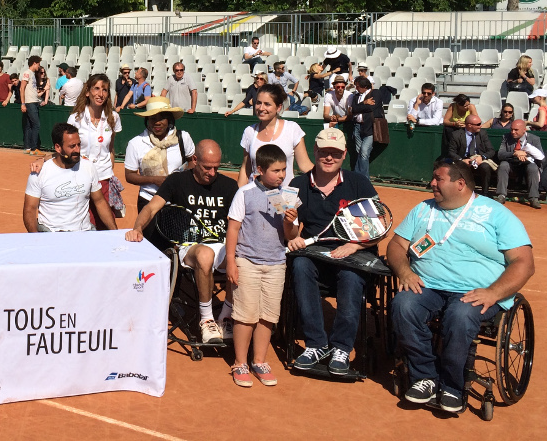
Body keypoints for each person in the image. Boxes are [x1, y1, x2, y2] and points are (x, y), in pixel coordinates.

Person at [388, 159, 534, 412]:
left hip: (475, 291)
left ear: (460, 184)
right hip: (428, 285)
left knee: (460, 315)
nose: (431, 183)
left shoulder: (495, 213)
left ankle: (452, 386)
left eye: (438, 178)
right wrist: (404, 271)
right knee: (403, 305)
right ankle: (424, 377)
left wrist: (494, 292)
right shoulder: (423, 209)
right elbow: (396, 245)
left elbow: (524, 262)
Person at [286, 128, 380, 375]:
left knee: (350, 277)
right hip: (313, 253)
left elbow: (378, 230)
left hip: (353, 253)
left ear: (344, 154)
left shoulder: (358, 183)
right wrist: (293, 236)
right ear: (314, 151)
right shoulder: (297, 185)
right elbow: (291, 233)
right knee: (300, 265)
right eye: (324, 152)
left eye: (335, 154)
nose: (329, 158)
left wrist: (354, 245)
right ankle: (316, 344)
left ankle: (341, 347)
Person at [126, 139, 239, 345]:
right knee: (205, 254)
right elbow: (151, 208)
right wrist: (137, 228)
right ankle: (206, 320)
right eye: (207, 167)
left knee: (242, 254)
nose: (212, 173)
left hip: (221, 246)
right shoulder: (177, 181)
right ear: (194, 160)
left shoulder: (229, 186)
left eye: (216, 167)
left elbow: (240, 221)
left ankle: (226, 316)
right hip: (190, 247)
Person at [226, 144, 299, 387]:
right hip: (247, 261)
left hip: (276, 263)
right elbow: (233, 229)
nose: (281, 175)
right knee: (245, 315)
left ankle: (259, 361)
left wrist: (290, 221)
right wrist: (231, 263)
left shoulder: (288, 196)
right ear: (259, 169)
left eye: (284, 170)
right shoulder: (244, 193)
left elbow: (290, 235)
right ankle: (240, 363)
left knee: (267, 316)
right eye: (276, 170)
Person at [23, 123, 117, 233]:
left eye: (79, 145)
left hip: (84, 232)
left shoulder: (88, 167)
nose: (77, 150)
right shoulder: (39, 173)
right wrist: (36, 240)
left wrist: (115, 232)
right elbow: (29, 210)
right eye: (72, 146)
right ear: (58, 147)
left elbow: (100, 201)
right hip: (51, 233)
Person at [123, 96, 196, 213]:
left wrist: (182, 180)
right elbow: (130, 175)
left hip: (178, 200)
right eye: (153, 118)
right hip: (148, 200)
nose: (157, 122)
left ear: (169, 119)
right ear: (147, 120)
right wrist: (154, 180)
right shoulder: (136, 143)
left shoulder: (183, 138)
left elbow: (192, 162)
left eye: (161, 118)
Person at [237, 83, 312, 190]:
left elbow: (305, 165)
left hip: (284, 198)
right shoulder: (249, 131)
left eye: (267, 104)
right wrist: (240, 193)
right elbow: (246, 168)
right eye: (258, 103)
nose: (261, 108)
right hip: (255, 196)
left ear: (279, 107)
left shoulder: (292, 129)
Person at [495, 119, 544, 208]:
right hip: (512, 164)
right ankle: (501, 195)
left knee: (533, 167)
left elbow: (541, 157)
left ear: (524, 130)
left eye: (516, 130)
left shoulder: (534, 139)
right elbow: (500, 154)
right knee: (503, 165)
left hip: (527, 164)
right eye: (511, 129)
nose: (513, 132)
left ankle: (534, 198)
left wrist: (526, 154)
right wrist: (515, 153)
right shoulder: (506, 137)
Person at [445, 114, 497, 197]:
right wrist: (461, 160)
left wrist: (482, 157)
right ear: (469, 125)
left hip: (478, 159)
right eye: (478, 124)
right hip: (463, 159)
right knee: (458, 167)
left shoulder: (482, 133)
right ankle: (458, 192)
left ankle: (485, 193)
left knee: (485, 167)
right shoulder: (456, 134)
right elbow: (451, 152)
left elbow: (491, 151)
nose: (481, 126)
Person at [346, 75, 384, 177]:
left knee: (363, 152)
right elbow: (352, 109)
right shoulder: (356, 96)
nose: (356, 88)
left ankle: (362, 178)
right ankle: (360, 178)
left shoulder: (375, 93)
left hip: (370, 127)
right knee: (360, 152)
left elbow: (371, 108)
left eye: (357, 86)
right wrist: (364, 103)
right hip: (358, 126)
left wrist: (359, 107)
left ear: (364, 86)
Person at [19, 55, 43, 153]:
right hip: (30, 102)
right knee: (36, 125)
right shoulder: (27, 73)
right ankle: (34, 148)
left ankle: (27, 148)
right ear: (34, 63)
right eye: (38, 64)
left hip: (33, 101)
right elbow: (22, 88)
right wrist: (23, 103)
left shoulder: (32, 74)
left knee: (29, 125)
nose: (39, 66)